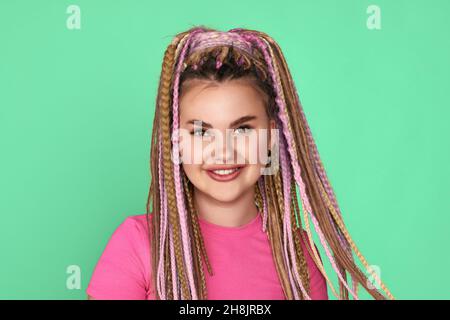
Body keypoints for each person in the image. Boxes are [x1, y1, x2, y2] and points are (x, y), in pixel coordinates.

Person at [86, 26, 394, 300]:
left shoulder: (297, 253)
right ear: (175, 142)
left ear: (272, 137)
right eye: (200, 131)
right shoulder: (139, 243)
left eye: (243, 129)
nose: (223, 152)